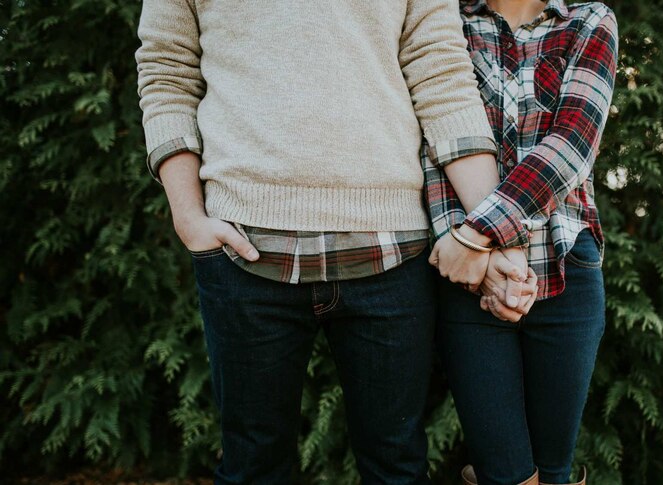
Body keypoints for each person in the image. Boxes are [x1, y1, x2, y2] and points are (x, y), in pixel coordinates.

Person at [134, 1, 533, 483]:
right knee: (252, 467)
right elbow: (166, 72)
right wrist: (188, 217)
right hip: (243, 249)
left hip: (393, 252)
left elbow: (443, 78)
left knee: (397, 469)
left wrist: (493, 230)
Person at [424, 1, 619, 484]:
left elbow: (573, 142)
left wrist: (478, 234)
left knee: (554, 471)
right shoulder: (446, 20)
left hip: (565, 265)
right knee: (503, 472)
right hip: (470, 280)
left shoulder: (589, 20)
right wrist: (476, 258)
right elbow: (433, 141)